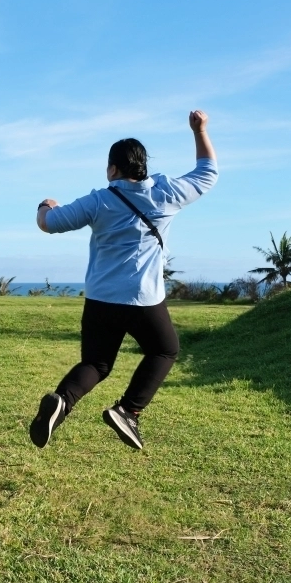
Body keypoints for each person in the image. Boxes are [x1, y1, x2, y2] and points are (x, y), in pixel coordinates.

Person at [30, 110, 218, 449]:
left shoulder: (99, 201)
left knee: (96, 363)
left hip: (101, 299)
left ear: (113, 169)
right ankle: (128, 411)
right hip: (144, 299)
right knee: (165, 350)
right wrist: (199, 129)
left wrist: (45, 205)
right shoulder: (167, 194)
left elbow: (50, 223)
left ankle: (62, 401)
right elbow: (208, 172)